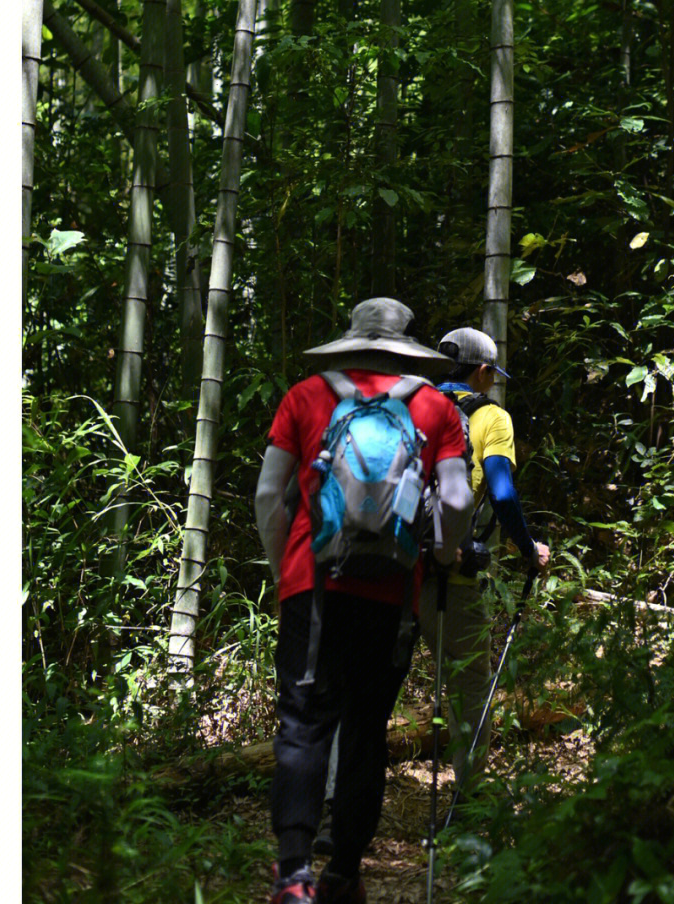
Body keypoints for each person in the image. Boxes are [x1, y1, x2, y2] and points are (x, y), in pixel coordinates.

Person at [255, 298, 474, 904]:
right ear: (407, 348)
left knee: (303, 724)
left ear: (351, 342)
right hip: (389, 593)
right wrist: (445, 558)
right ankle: (344, 872)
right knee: (366, 729)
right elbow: (455, 503)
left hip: (312, 585)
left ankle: (293, 872)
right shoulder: (435, 407)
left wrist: (286, 574)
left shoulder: (305, 396)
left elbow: (270, 495)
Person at [417, 327, 550, 803]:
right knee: (470, 686)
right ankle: (468, 804)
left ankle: (343, 799)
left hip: (398, 570)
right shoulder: (492, 417)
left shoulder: (412, 405)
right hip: (456, 572)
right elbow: (503, 491)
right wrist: (528, 546)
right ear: (482, 371)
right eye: (492, 374)